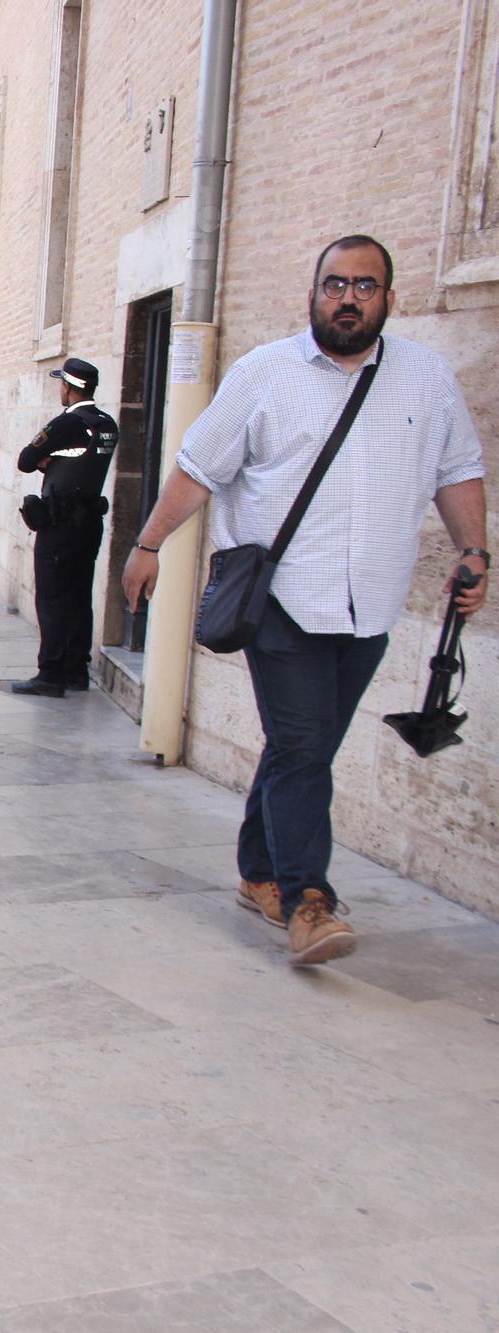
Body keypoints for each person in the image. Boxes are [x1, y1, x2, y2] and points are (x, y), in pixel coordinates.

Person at [123, 234, 488, 966]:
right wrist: (149, 543)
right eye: (334, 284)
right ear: (313, 291)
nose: (347, 297)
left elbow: (458, 470)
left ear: (390, 296)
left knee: (306, 747)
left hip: (373, 604)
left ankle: (258, 869)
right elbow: (198, 469)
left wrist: (473, 550)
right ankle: (307, 900)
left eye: (364, 285)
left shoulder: (427, 379)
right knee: (301, 746)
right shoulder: (266, 373)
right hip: (282, 600)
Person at [12, 359, 120, 697]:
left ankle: (51, 673)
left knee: (52, 598)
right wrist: (58, 461)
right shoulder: (106, 423)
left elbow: (27, 460)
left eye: (61, 384)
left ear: (68, 387)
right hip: (89, 522)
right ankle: (76, 669)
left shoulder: (68, 423)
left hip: (60, 525)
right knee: (78, 596)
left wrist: (50, 460)